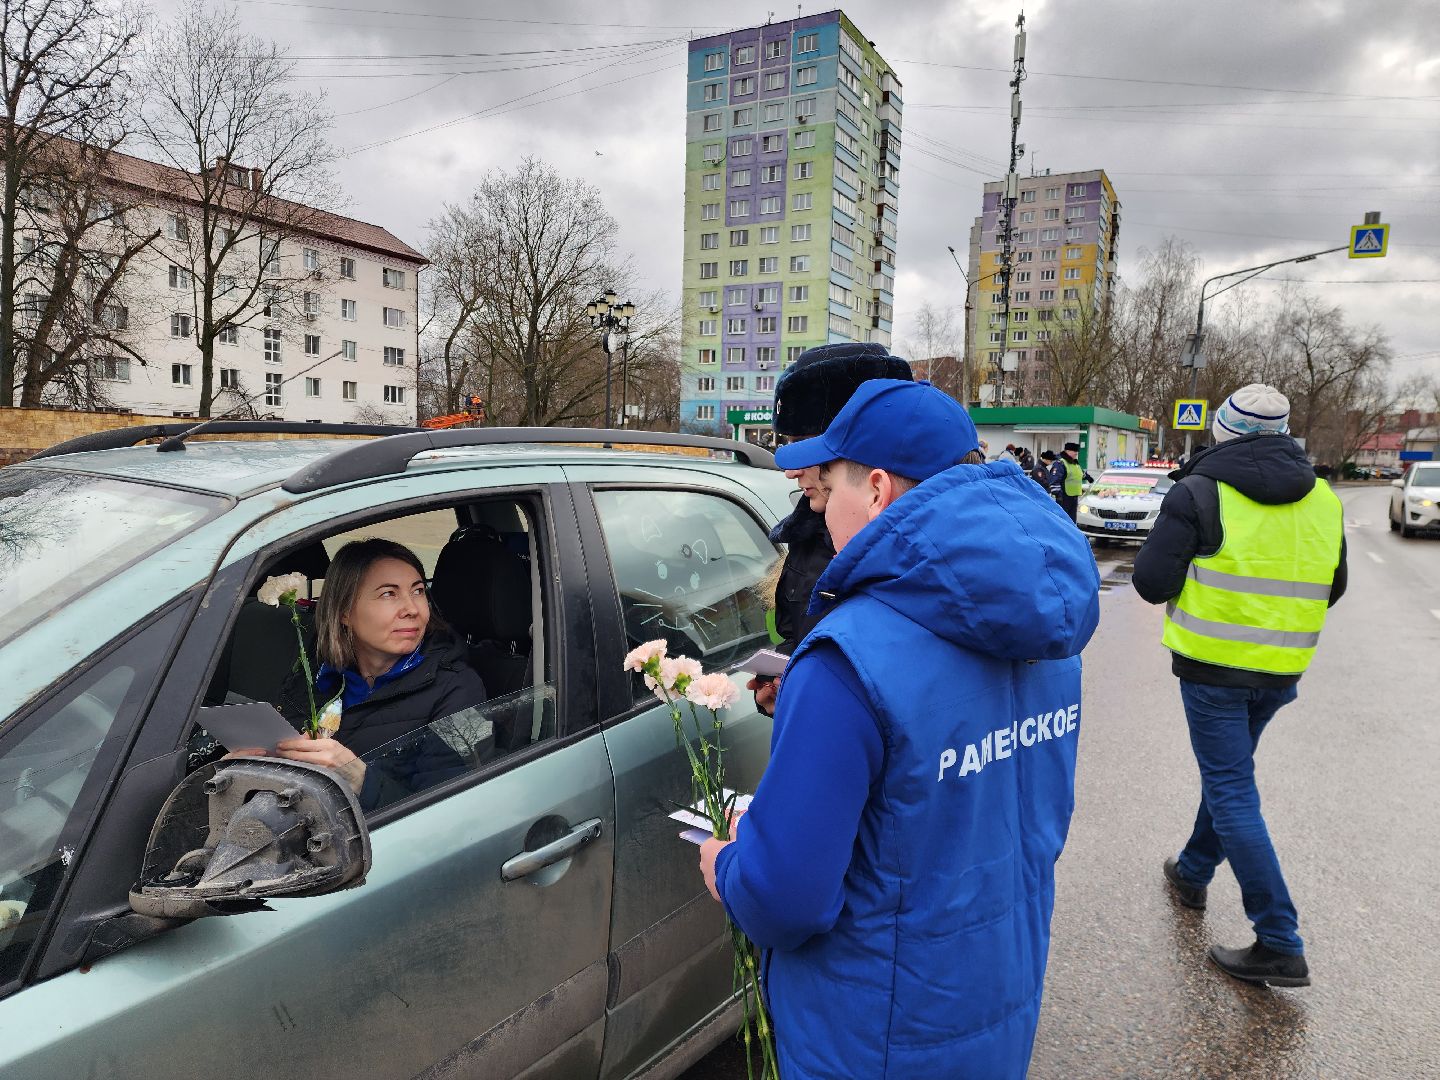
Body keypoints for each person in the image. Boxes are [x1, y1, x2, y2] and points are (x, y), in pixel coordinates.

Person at [699, 380, 1101, 1078]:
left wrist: (726, 865)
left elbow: (786, 900)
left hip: (873, 1032)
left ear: (878, 490)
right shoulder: (1047, 632)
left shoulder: (848, 660)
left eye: (830, 487)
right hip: (995, 1000)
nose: (821, 514)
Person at [1132, 384, 1346, 988]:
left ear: (1220, 430)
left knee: (1231, 789)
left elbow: (1149, 582)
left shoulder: (1199, 490)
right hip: (1282, 668)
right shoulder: (1323, 499)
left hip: (1213, 670)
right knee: (1230, 777)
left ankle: (1279, 938)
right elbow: (1336, 584)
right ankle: (1194, 871)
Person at [255, 539, 491, 809]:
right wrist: (251, 764)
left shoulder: (457, 689)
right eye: (389, 594)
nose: (412, 610)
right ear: (344, 612)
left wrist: (359, 779)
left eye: (418, 591)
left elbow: (451, 812)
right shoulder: (316, 674)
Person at [752, 341, 913, 714]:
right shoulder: (810, 532)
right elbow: (802, 638)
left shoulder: (910, 556)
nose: (792, 471)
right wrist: (781, 679)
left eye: (803, 448)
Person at [1054, 441, 1089, 520]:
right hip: (1064, 497)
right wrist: (1058, 495)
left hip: (1074, 496)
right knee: (1063, 520)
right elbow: (1055, 481)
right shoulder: (1061, 463)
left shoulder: (1074, 463)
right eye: (1074, 452)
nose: (1076, 454)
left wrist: (1087, 477)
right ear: (1068, 451)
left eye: (1077, 452)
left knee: (1072, 520)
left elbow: (1079, 474)